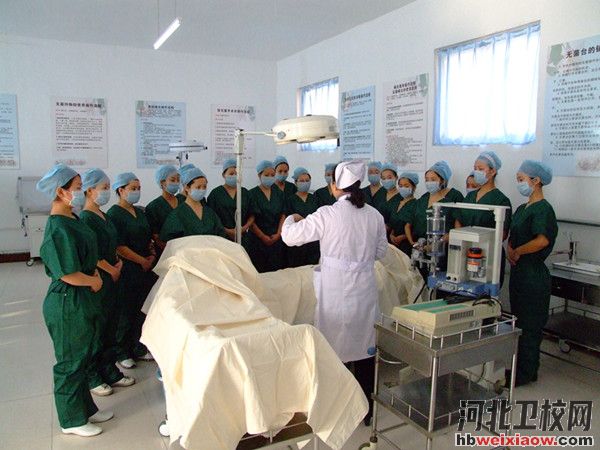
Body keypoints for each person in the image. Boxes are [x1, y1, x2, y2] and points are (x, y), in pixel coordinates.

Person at [281, 160, 388, 426]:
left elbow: (290, 237)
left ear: (334, 186)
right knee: (364, 348)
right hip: (364, 289)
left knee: (333, 349)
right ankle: (366, 410)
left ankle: (336, 410)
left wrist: (292, 219)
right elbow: (381, 252)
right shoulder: (374, 215)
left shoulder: (327, 214)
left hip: (335, 291)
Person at [36, 164, 113, 437]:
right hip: (67, 302)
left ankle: (86, 410)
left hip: (80, 299)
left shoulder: (72, 218)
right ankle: (70, 420)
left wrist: (94, 276)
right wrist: (93, 280)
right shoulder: (58, 227)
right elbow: (67, 273)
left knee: (82, 358)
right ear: (61, 191)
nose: (81, 193)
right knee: (70, 363)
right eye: (78, 188)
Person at [80, 169, 135, 398]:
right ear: (89, 190)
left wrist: (118, 263)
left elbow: (114, 243)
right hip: (101, 278)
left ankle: (110, 370)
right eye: (103, 188)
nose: (107, 192)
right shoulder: (85, 219)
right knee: (98, 329)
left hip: (114, 275)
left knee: (111, 325)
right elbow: (91, 253)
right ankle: (93, 376)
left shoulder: (103, 215)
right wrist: (110, 268)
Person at [507, 160, 557, 387]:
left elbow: (542, 240)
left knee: (530, 325)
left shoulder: (544, 209)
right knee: (518, 322)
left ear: (536, 181)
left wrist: (518, 251)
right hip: (519, 273)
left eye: (521, 179)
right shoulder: (521, 209)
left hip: (533, 275)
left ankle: (526, 372)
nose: (519, 183)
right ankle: (520, 367)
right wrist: (510, 249)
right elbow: (513, 235)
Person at [107, 172, 156, 369]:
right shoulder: (114, 215)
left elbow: (148, 236)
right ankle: (122, 351)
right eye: (133, 188)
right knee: (126, 312)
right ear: (120, 190)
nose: (137, 192)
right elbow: (119, 246)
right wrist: (141, 260)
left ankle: (139, 347)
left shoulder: (139, 212)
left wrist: (151, 255)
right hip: (129, 268)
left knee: (142, 310)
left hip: (145, 267)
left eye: (139, 188)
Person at [455, 151, 512, 286]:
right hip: (466, 249)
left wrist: (480, 242)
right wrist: (462, 238)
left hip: (489, 254)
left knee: (485, 290)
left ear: (492, 172)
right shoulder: (470, 196)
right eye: (475, 168)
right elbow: (459, 219)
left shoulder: (501, 200)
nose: (476, 172)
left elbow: (503, 234)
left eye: (480, 169)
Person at [406, 161, 464, 274]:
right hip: (420, 246)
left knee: (437, 276)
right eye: (427, 179)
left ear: (442, 180)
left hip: (441, 249)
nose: (429, 182)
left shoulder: (450, 200)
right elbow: (411, 221)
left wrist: (440, 242)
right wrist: (415, 244)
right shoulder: (423, 199)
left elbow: (458, 227)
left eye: (433, 179)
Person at [160, 167, 225, 241]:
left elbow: (221, 236)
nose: (202, 190)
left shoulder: (210, 213)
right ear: (186, 188)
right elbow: (169, 241)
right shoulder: (178, 214)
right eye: (198, 187)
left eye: (204, 187)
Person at [247, 160, 286, 272]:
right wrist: (263, 236)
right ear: (259, 175)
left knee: (276, 272)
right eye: (266, 175)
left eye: (272, 175)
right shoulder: (252, 194)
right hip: (257, 241)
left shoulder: (279, 193)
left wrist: (278, 234)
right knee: (259, 271)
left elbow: (283, 214)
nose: (270, 177)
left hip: (276, 239)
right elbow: (251, 219)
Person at [207, 158, 255, 249]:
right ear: (223, 175)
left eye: (237, 174)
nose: (234, 176)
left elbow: (252, 214)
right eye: (231, 174)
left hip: (243, 237)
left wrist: (243, 229)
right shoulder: (215, 194)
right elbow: (211, 217)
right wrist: (227, 231)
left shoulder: (245, 193)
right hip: (222, 237)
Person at [285, 167, 320, 267]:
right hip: (297, 240)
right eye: (302, 181)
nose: (305, 183)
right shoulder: (290, 200)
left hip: (313, 240)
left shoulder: (315, 199)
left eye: (307, 181)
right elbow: (289, 220)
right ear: (295, 182)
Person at [145, 165, 183, 254]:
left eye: (178, 180)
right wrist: (170, 251)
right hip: (165, 251)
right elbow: (156, 236)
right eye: (172, 180)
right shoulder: (153, 207)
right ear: (162, 182)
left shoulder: (183, 201)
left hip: (185, 247)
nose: (176, 183)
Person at [388, 172, 419, 257]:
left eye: (406, 186)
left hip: (406, 244)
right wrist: (391, 234)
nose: (403, 188)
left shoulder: (416, 204)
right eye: (400, 186)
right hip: (393, 243)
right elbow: (393, 222)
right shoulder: (397, 203)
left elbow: (416, 228)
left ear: (414, 187)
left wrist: (403, 237)